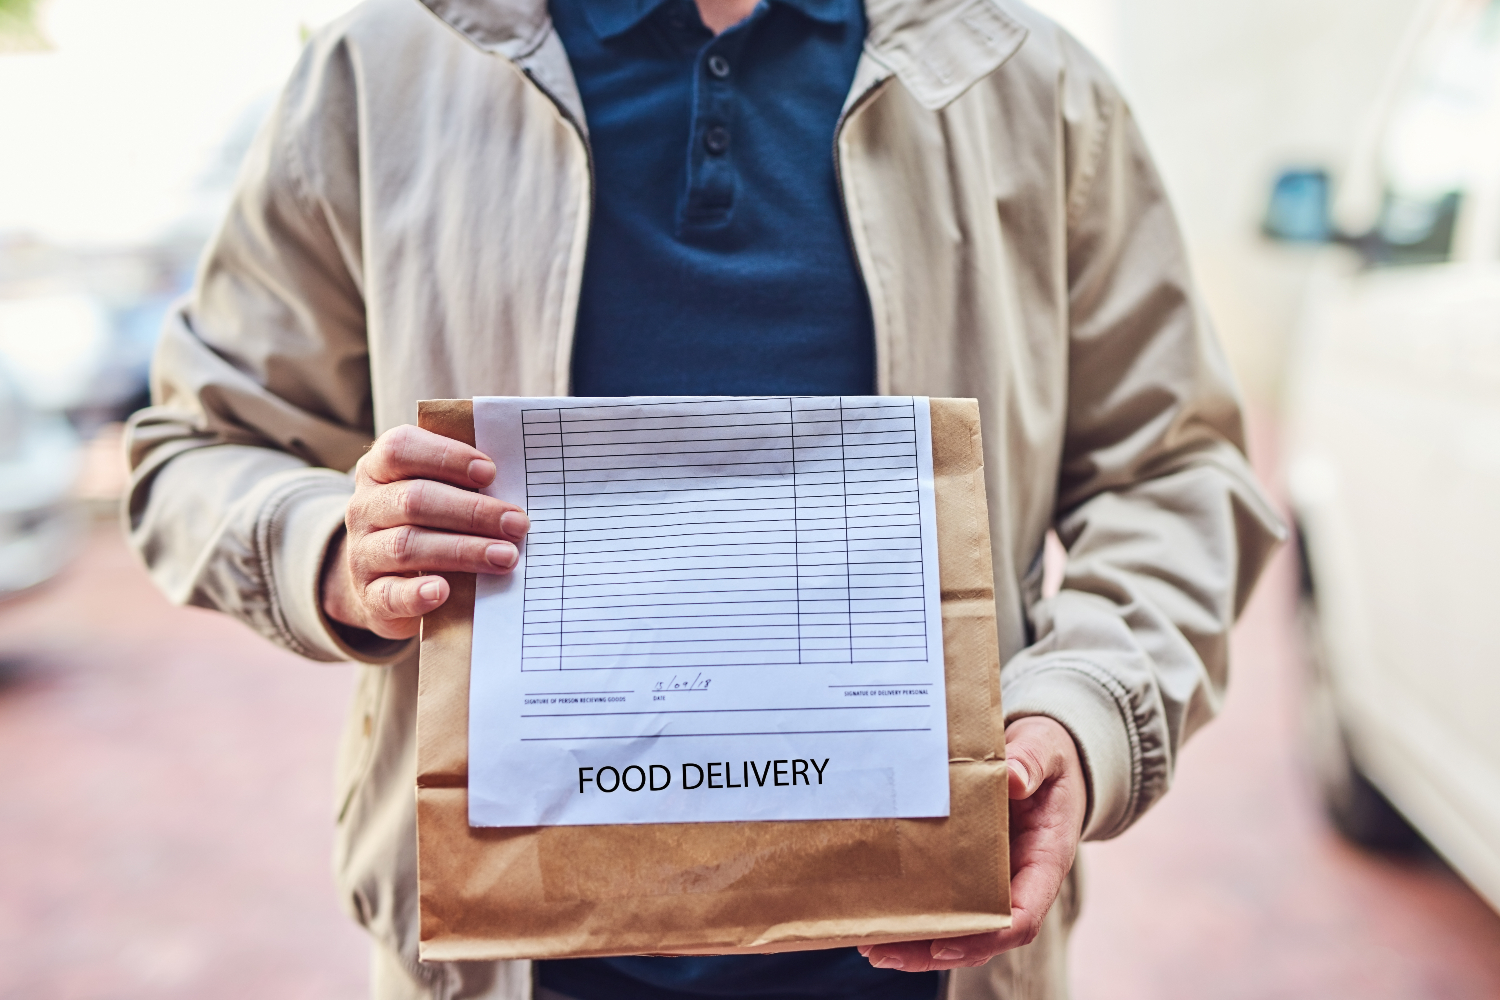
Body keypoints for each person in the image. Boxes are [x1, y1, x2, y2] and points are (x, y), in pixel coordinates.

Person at [124, 0, 1284, 996]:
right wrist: (334, 550)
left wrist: (1082, 714)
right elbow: (197, 444)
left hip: (928, 969)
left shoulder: (1025, 84)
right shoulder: (384, 69)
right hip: (510, 973)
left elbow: (1174, 470)